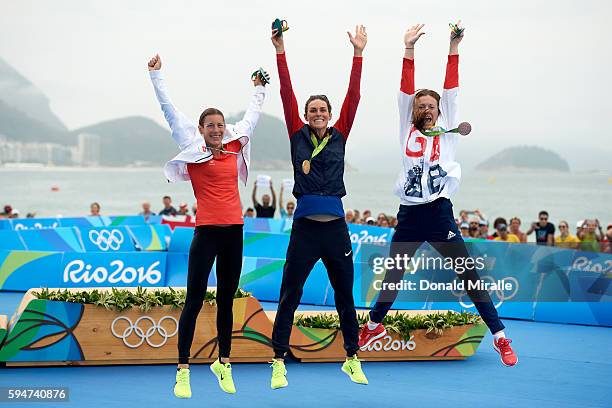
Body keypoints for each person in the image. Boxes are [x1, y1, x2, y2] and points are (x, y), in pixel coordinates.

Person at [358, 23, 517, 367]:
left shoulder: (448, 134)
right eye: (420, 105)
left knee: (468, 274)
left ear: (440, 109)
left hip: (439, 213)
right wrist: (408, 49)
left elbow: (452, 90)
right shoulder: (406, 128)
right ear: (413, 111)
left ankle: (501, 337)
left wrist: (453, 47)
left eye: (432, 105)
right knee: (393, 275)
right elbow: (404, 91)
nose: (426, 108)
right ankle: (373, 326)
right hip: (410, 215)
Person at [147, 53, 266, 396]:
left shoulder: (234, 144)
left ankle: (223, 362)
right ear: (200, 130)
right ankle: (182, 368)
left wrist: (258, 88)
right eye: (210, 126)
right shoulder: (190, 144)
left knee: (228, 299)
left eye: (220, 125)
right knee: (195, 300)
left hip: (234, 232)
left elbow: (253, 117)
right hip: (206, 233)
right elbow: (168, 109)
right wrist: (156, 75)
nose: (216, 130)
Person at [269, 23, 369, 388]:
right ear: (307, 114)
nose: (317, 112)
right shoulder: (296, 134)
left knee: (345, 294)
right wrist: (280, 50)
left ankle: (352, 357)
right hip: (306, 229)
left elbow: (354, 97)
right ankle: (278, 359)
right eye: (313, 109)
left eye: (322, 108)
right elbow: (285, 92)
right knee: (289, 293)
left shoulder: (340, 134)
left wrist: (358, 54)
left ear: (329, 113)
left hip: (336, 228)